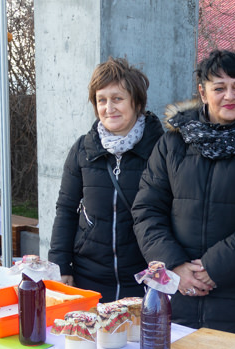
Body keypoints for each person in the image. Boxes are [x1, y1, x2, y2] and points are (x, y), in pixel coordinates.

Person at [132, 50, 235, 339]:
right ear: (203, 93)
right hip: (175, 301)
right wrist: (175, 266)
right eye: (219, 88)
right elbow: (146, 211)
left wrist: (213, 267)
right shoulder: (172, 145)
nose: (229, 96)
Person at [48, 58, 165, 302]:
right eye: (102, 100)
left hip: (143, 280)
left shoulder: (162, 149)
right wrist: (61, 265)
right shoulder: (83, 149)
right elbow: (66, 209)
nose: (109, 107)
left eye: (117, 98)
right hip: (89, 278)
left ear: (137, 102)